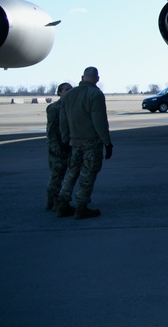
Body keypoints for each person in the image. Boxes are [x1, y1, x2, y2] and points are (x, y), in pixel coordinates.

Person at [55, 67, 113, 219]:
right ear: (97, 79)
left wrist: (66, 138)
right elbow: (99, 121)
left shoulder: (69, 95)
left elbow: (63, 120)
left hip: (74, 141)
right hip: (91, 142)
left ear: (82, 77)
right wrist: (107, 142)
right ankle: (81, 206)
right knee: (88, 173)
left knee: (72, 171)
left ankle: (62, 203)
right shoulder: (95, 94)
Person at [44, 82, 74, 210]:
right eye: (66, 90)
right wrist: (54, 145)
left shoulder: (72, 107)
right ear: (59, 93)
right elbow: (51, 129)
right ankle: (54, 200)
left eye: (70, 90)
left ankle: (53, 201)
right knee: (56, 175)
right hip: (58, 146)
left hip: (69, 145)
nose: (69, 92)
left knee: (66, 175)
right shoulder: (54, 108)